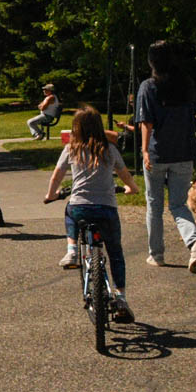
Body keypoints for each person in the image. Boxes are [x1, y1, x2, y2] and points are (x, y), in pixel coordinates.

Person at [44, 106, 139, 322]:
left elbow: (56, 176)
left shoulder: (71, 149)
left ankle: (71, 250)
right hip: (106, 208)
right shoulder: (110, 150)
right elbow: (125, 176)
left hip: (80, 207)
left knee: (69, 211)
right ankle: (121, 297)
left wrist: (51, 195)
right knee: (115, 253)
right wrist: (132, 189)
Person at [136, 40, 196, 272]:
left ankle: (156, 254)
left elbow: (146, 122)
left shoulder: (148, 86)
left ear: (152, 61)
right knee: (178, 204)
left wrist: (145, 150)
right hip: (184, 151)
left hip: (158, 152)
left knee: (154, 206)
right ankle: (194, 241)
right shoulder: (186, 84)